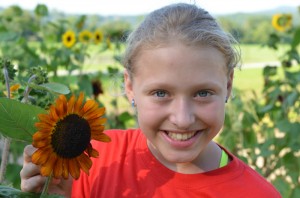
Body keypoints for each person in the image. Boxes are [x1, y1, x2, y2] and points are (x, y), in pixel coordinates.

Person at [20, 3, 281, 197]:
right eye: (161, 93)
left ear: (228, 85)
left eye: (202, 93)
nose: (182, 118)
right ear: (130, 87)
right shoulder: (91, 160)